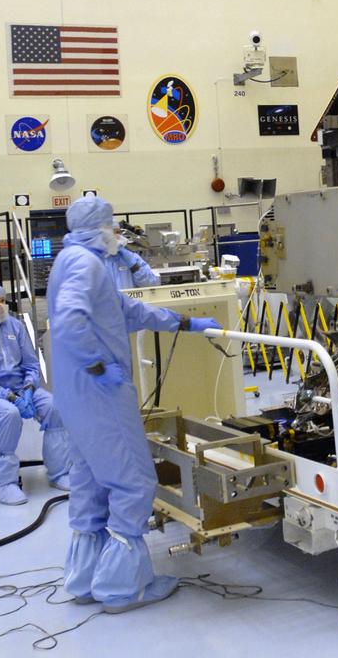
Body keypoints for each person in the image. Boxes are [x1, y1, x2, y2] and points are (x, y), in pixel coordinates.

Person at [47, 195, 220, 613]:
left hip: (75, 395)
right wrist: (98, 366)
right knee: (133, 482)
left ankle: (86, 578)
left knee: (90, 482)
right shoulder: (87, 265)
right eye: (112, 226)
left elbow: (126, 310)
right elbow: (70, 321)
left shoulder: (74, 261)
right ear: (98, 228)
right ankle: (124, 587)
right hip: (99, 394)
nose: (116, 233)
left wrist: (185, 322)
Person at [0, 284, 71, 505]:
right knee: (9, 414)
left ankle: (60, 472)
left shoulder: (15, 326)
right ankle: (4, 483)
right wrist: (10, 397)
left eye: (2, 300)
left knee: (55, 407)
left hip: (22, 389)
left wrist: (29, 389)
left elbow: (31, 364)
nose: (0, 306)